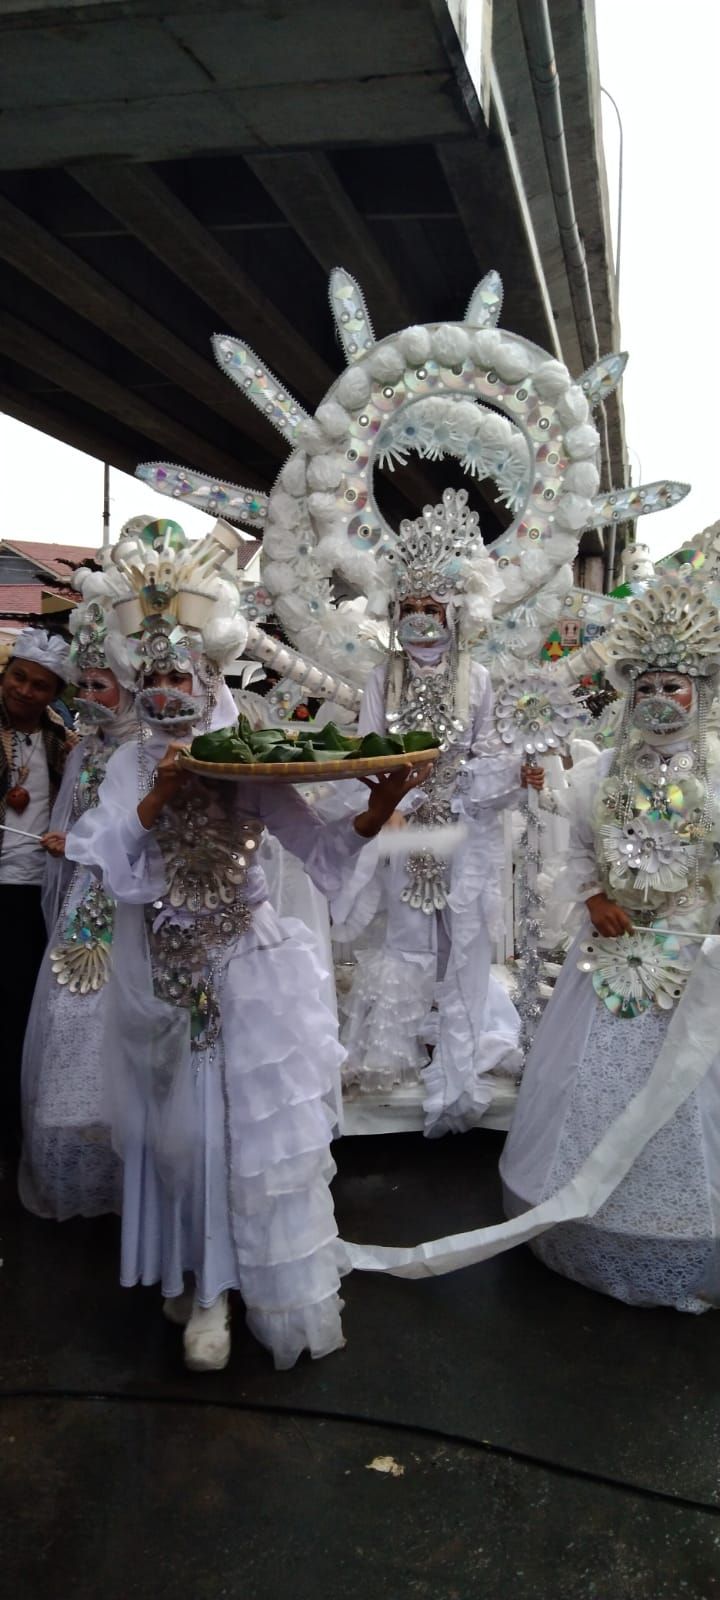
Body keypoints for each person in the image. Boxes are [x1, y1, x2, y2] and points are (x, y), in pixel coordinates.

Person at [67, 517, 420, 1371]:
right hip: (164, 972)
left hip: (250, 969)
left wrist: (377, 809)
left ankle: (225, 1292)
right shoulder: (125, 766)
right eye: (149, 674)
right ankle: (185, 1269)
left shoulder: (247, 757)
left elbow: (326, 854)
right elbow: (110, 863)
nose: (164, 689)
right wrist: (156, 797)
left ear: (211, 674)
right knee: (174, 1136)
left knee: (237, 1136)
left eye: (179, 672)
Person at [500, 574, 720, 1310]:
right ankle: (587, 1211)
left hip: (695, 962)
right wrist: (593, 898)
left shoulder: (719, 774)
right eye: (649, 682)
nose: (661, 696)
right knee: (596, 1087)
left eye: (676, 684)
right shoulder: (598, 775)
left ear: (700, 692)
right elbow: (569, 854)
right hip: (609, 958)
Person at [332, 489, 543, 1135]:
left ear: (455, 612)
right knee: (404, 932)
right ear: (394, 613)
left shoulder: (473, 678)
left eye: (432, 607)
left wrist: (515, 772)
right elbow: (367, 752)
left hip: (463, 824)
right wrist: (394, 799)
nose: (421, 620)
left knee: (463, 932)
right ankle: (397, 1045)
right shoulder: (380, 678)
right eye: (410, 608)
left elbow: (489, 751)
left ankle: (457, 1041)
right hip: (399, 821)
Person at [19, 594, 138, 1219]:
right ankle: (83, 1149)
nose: (92, 694)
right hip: (88, 900)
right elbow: (74, 814)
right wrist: (69, 846)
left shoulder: (149, 746)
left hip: (135, 898)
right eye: (85, 683)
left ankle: (135, 1159)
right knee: (75, 1016)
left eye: (104, 685)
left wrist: (91, 844)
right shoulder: (87, 746)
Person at [0, 628, 71, 1157]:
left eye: (40, 685)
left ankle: (10, 1125)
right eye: (19, 677)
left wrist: (69, 838)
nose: (25, 691)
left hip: (31, 893)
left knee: (19, 1009)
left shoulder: (60, 741)